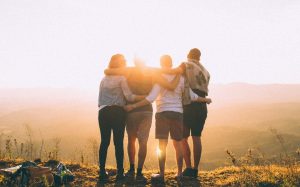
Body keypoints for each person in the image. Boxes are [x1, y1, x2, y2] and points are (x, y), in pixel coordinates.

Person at [124, 55, 211, 182]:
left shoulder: (159, 78)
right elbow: (192, 96)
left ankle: (162, 174)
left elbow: (151, 98)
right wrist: (205, 99)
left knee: (162, 145)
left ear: (161, 64)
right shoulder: (181, 78)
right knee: (178, 143)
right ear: (171, 64)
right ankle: (180, 173)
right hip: (178, 113)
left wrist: (133, 105)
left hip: (162, 113)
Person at [104, 58, 180, 182]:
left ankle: (131, 169)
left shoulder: (127, 71)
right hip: (146, 110)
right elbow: (167, 83)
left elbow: (108, 72)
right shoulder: (152, 72)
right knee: (143, 141)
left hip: (131, 110)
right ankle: (139, 172)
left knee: (131, 140)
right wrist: (178, 71)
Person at [161, 48, 211, 178]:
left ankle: (188, 168)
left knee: (183, 138)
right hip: (202, 106)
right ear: (199, 57)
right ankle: (195, 169)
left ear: (188, 55)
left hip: (189, 104)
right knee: (197, 137)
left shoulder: (186, 65)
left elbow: (173, 72)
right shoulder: (205, 71)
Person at [97, 54, 145, 182]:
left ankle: (101, 171)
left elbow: (99, 100)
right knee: (118, 143)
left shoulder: (104, 79)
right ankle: (120, 173)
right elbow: (129, 97)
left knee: (104, 142)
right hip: (117, 112)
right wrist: (144, 97)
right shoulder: (122, 78)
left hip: (103, 112)